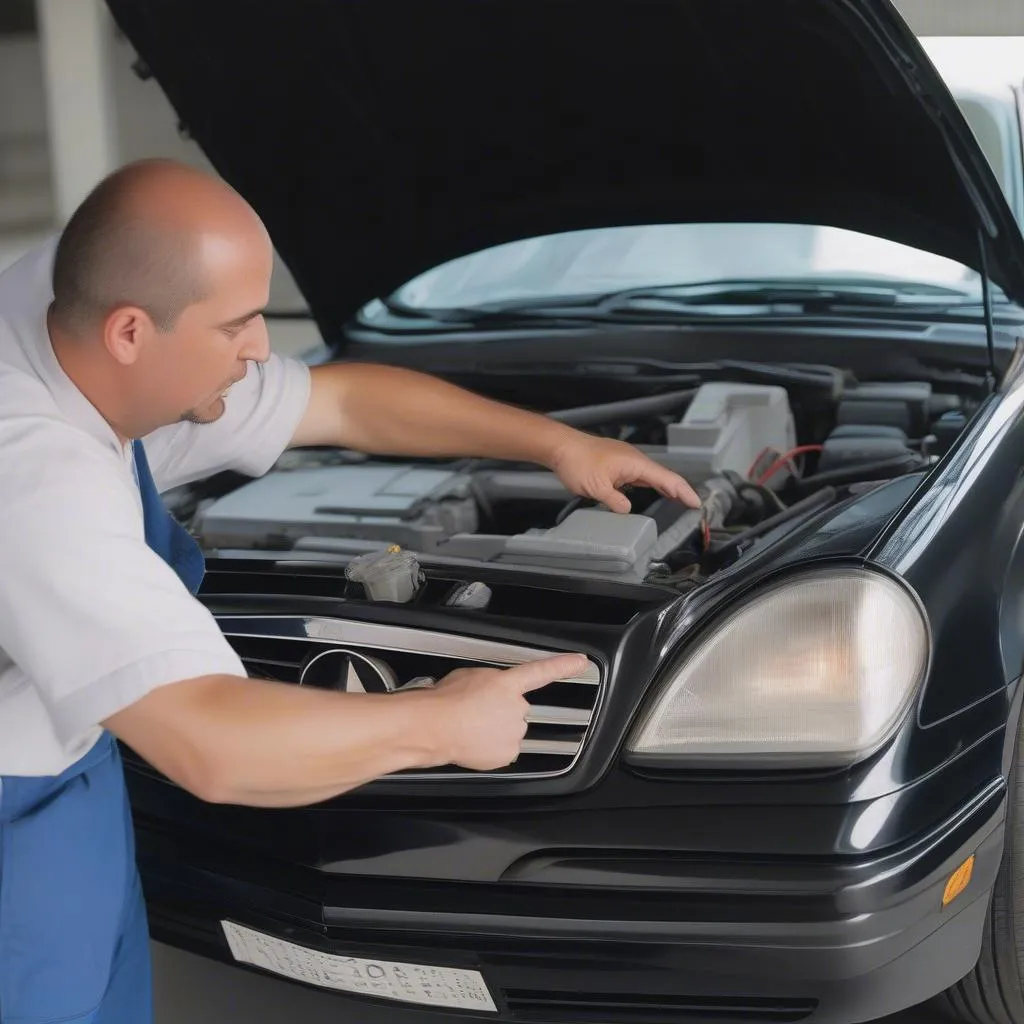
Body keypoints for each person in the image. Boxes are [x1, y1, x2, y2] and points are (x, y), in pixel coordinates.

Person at [0, 159, 699, 1023]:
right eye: (237, 327)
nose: (260, 348)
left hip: (75, 770)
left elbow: (341, 404)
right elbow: (211, 749)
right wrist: (441, 720)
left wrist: (556, 445)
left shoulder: (68, 290)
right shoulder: (33, 480)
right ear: (131, 333)